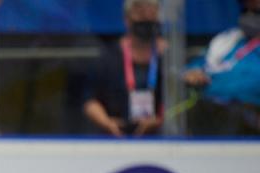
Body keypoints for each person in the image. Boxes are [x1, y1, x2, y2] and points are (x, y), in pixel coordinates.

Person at [84, 0, 167, 138]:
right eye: (140, 12)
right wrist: (106, 123)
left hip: (160, 139)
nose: (146, 18)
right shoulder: (109, 57)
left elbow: (178, 101)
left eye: (152, 13)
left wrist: (159, 120)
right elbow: (90, 100)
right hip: (116, 137)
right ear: (127, 20)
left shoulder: (167, 58)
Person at [183, 0, 260, 136]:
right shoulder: (228, 39)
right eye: (246, 10)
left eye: (256, 12)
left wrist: (215, 81)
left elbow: (251, 82)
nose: (250, 15)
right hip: (213, 113)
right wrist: (192, 72)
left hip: (249, 117)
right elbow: (199, 65)